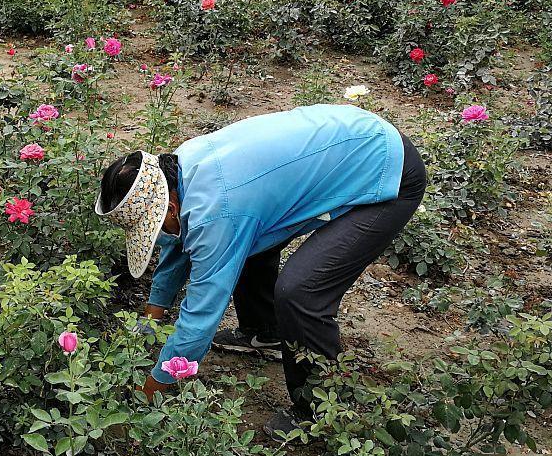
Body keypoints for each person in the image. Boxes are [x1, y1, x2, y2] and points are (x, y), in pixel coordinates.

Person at [95, 106, 427, 437]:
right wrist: (149, 323)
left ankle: (317, 411)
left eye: (155, 227)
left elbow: (200, 316)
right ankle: (264, 332)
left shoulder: (217, 212)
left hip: (388, 171)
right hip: (353, 139)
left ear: (169, 207)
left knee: (299, 293)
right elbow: (176, 245)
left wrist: (149, 391)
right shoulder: (179, 169)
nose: (160, 235)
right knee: (248, 240)